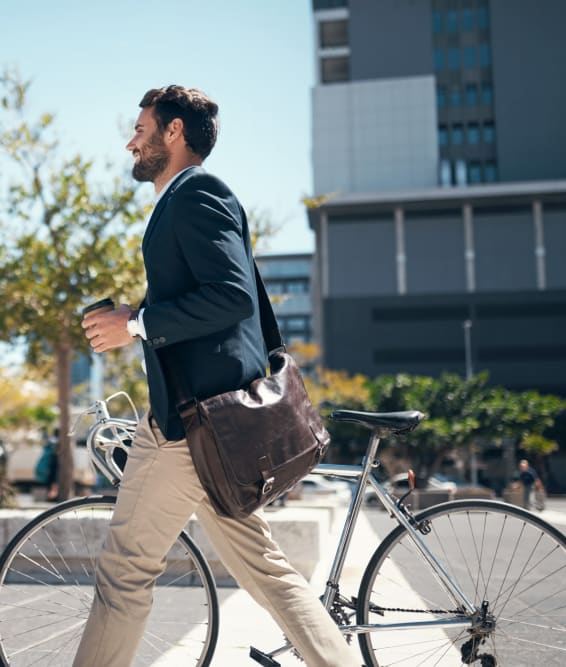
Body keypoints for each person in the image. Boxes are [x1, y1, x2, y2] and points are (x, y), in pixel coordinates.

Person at [77, 86, 357, 667]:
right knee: (268, 574)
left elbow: (230, 296)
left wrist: (137, 323)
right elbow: (217, 302)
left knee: (125, 570)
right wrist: (135, 319)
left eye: (140, 128)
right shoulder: (184, 202)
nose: (131, 141)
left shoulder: (197, 193)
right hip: (211, 428)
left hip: (188, 427)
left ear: (173, 132)